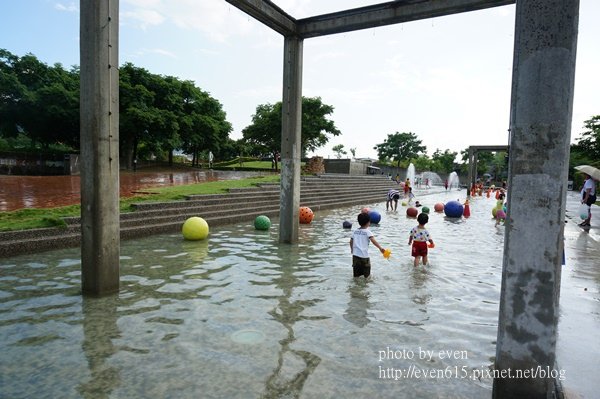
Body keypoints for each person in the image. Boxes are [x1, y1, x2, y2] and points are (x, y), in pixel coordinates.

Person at [350, 212, 385, 278]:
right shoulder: (368, 232)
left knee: (356, 275)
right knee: (367, 276)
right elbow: (373, 241)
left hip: (355, 256)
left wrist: (352, 249)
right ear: (368, 222)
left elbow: (351, 241)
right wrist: (380, 248)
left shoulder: (354, 231)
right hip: (364, 257)